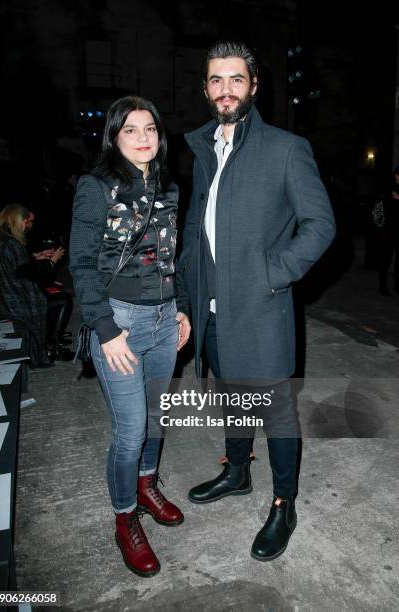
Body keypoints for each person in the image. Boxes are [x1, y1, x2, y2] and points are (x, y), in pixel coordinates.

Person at [176, 42, 336, 562]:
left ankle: (283, 503)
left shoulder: (286, 148)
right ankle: (238, 472)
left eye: (236, 79)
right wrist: (185, 297)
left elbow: (320, 225)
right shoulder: (204, 151)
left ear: (253, 86)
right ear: (206, 89)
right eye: (216, 80)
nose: (226, 89)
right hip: (213, 312)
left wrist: (274, 273)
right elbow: (199, 236)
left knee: (276, 413)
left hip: (262, 310)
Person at [69, 96, 191, 577]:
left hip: (163, 320)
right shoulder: (96, 187)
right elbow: (80, 263)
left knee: (156, 419)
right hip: (118, 322)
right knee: (130, 430)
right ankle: (125, 517)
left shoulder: (169, 188)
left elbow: (170, 257)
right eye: (131, 130)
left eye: (151, 129)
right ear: (114, 138)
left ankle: (146, 484)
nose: (144, 138)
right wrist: (106, 330)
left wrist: (179, 309)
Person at [0, 203, 65, 367]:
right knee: (63, 301)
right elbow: (31, 274)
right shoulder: (12, 245)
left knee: (56, 295)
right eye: (26, 222)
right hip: (16, 303)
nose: (28, 227)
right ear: (18, 221)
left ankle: (50, 343)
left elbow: (17, 268)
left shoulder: (2, 242)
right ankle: (50, 347)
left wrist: (36, 257)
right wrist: (52, 262)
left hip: (3, 300)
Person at [378, 165, 399, 296]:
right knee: (386, 258)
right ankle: (383, 285)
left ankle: (397, 285)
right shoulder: (389, 189)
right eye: (397, 174)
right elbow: (384, 207)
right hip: (389, 230)